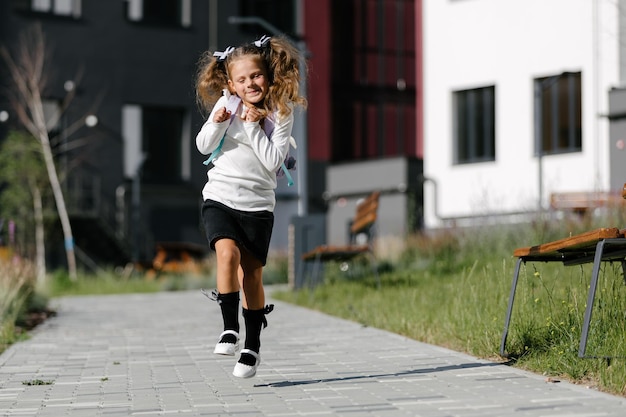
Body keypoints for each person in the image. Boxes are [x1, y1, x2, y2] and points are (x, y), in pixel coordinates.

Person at [194, 35, 306, 378]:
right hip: (221, 196)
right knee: (226, 255)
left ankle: (252, 346)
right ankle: (230, 329)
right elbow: (202, 146)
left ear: (268, 75)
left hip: (257, 205)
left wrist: (252, 125)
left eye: (255, 76)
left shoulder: (280, 111)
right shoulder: (225, 104)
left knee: (252, 275)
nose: (249, 84)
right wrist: (219, 121)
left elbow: (274, 161)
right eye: (241, 79)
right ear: (231, 83)